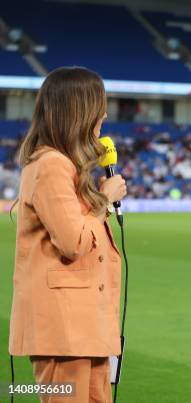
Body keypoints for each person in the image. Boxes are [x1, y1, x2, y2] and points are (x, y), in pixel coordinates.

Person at [9, 66, 127, 403]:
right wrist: (105, 199)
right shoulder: (50, 165)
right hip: (64, 327)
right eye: (98, 105)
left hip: (83, 324)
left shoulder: (64, 165)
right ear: (79, 111)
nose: (104, 113)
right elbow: (73, 241)